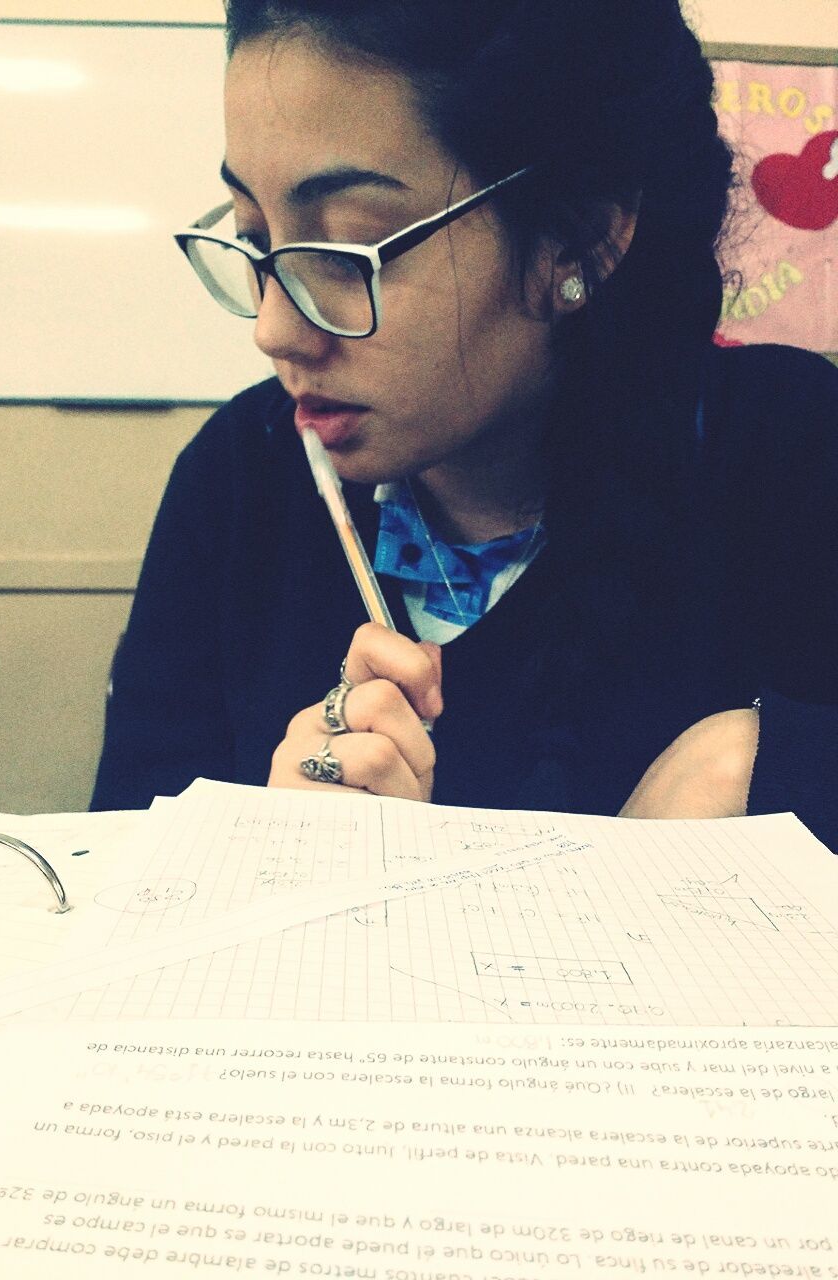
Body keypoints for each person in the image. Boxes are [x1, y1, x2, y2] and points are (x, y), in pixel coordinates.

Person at [91, 0, 838, 851]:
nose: (272, 330)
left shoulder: (790, 455)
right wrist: (261, 848)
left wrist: (762, 760)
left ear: (578, 242)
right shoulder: (241, 478)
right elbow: (121, 862)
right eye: (258, 238)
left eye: (344, 252)